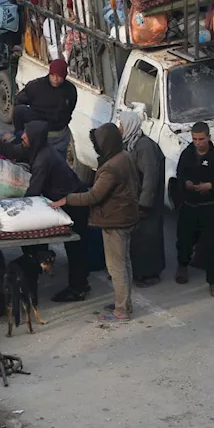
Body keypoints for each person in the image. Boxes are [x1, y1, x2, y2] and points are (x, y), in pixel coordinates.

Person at [0, 120, 93, 302]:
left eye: (26, 134)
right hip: (61, 199)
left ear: (35, 138)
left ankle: (78, 288)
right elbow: (16, 151)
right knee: (74, 247)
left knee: (76, 249)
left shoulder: (44, 159)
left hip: (74, 204)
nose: (23, 137)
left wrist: (10, 206)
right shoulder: (38, 148)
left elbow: (33, 194)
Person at [51, 123, 139, 322]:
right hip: (126, 216)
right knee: (124, 263)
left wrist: (68, 199)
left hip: (115, 221)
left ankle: (121, 310)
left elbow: (93, 196)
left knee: (116, 266)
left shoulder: (110, 168)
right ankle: (124, 303)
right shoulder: (124, 157)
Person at [175, 121, 214, 298]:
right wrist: (186, 184)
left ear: (208, 137)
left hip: (209, 207)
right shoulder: (187, 155)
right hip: (189, 206)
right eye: (194, 139)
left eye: (201, 139)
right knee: (184, 239)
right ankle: (182, 266)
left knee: (212, 245)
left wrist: (210, 186)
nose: (198, 143)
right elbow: (179, 175)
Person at [119, 110, 166, 287]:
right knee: (138, 237)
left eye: (122, 125)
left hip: (147, 200)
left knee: (148, 236)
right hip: (136, 198)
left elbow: (150, 177)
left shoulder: (144, 146)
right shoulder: (131, 143)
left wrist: (145, 204)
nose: (120, 128)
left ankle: (149, 273)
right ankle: (138, 271)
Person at [13, 58, 78, 158]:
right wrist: (22, 132)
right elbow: (18, 103)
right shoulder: (36, 86)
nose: (56, 79)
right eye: (53, 75)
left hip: (58, 134)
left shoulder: (70, 90)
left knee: (57, 164)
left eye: (59, 76)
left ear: (64, 76)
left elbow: (70, 109)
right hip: (38, 133)